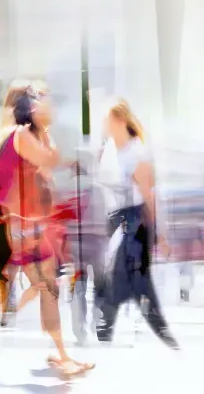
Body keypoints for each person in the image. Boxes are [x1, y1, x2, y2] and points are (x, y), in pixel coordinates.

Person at [0, 81, 88, 375]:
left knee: (46, 287)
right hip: (25, 226)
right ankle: (57, 353)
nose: (51, 107)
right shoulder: (22, 135)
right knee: (46, 287)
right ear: (30, 107)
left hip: (31, 224)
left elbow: (47, 170)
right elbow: (50, 160)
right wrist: (45, 130)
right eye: (45, 101)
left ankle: (58, 352)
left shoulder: (26, 136)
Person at [93, 101, 178, 349]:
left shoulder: (136, 153)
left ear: (120, 122)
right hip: (118, 221)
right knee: (124, 280)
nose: (104, 126)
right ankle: (161, 335)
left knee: (126, 280)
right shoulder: (110, 150)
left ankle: (108, 335)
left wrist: (161, 235)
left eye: (107, 121)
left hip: (136, 223)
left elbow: (149, 197)